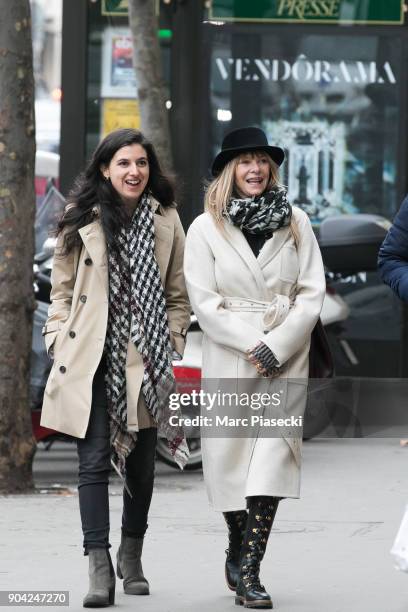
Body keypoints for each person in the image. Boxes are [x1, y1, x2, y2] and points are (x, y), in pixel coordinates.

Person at [41, 128, 190, 608]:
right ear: (105, 168)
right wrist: (56, 337)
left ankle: (132, 552)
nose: (134, 172)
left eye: (142, 163)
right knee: (91, 463)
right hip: (90, 356)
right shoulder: (79, 217)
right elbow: (61, 292)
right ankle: (98, 566)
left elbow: (176, 294)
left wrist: (172, 339)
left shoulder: (166, 219)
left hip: (145, 359)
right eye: (124, 163)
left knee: (143, 465)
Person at [184, 126, 326, 609]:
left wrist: (278, 344)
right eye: (245, 160)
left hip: (286, 358)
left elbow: (311, 293)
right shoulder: (205, 227)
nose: (255, 168)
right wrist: (252, 343)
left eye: (262, 160)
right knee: (228, 465)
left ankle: (250, 574)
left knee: (272, 461)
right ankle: (235, 542)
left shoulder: (296, 222)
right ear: (229, 170)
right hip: (229, 355)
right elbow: (204, 302)